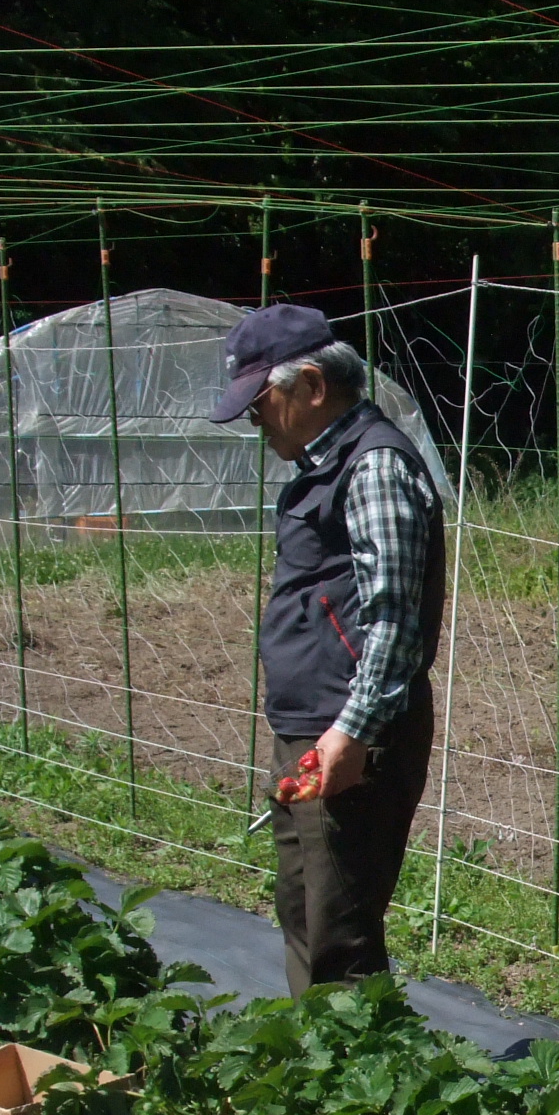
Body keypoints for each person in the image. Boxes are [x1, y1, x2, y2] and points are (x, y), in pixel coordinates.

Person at [211, 302, 443, 994]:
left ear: (311, 386)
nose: (255, 420)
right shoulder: (324, 464)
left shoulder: (372, 468)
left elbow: (393, 619)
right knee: (305, 913)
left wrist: (354, 731)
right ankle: (322, 1078)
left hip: (350, 737)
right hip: (314, 724)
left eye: (261, 400)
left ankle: (361, 1087)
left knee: (339, 935)